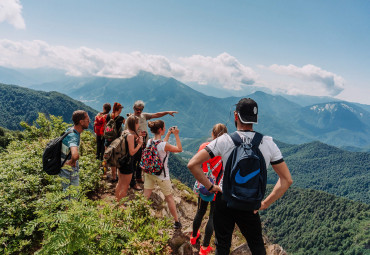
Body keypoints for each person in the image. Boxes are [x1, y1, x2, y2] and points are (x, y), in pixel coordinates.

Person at [187, 98, 293, 255]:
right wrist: (265, 203)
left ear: (236, 116)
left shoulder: (224, 140)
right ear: (255, 119)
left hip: (225, 199)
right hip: (250, 204)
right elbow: (287, 180)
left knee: (222, 246)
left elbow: (193, 164)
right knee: (257, 245)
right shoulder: (268, 143)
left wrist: (211, 187)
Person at [191, 123, 228, 255]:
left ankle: (194, 236)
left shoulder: (203, 147)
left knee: (200, 211)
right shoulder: (226, 151)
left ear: (212, 134)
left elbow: (197, 164)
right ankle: (205, 247)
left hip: (204, 184)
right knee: (212, 217)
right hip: (217, 187)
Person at [125, 100, 178, 190]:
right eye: (137, 109)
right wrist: (138, 135)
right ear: (134, 108)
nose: (139, 111)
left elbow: (156, 114)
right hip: (134, 143)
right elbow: (126, 133)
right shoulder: (130, 119)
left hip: (144, 143)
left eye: (141, 109)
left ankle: (138, 177)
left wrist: (167, 112)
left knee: (141, 161)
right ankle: (132, 182)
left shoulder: (144, 116)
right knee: (133, 163)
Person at [143, 120, 182, 229]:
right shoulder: (164, 145)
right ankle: (176, 222)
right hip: (162, 175)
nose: (165, 129)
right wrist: (176, 135)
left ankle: (138, 214)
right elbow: (179, 149)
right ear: (160, 130)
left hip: (149, 172)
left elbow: (160, 145)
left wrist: (168, 134)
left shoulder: (150, 141)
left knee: (145, 196)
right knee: (169, 198)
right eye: (164, 128)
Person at [60, 110, 90, 193]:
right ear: (81, 122)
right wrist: (72, 161)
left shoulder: (70, 129)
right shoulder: (73, 136)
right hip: (69, 169)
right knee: (71, 195)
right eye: (87, 120)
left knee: (67, 192)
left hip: (63, 165)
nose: (89, 121)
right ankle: (69, 206)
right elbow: (75, 155)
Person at [115, 115, 143, 202]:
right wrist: (139, 144)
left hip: (121, 161)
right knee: (125, 185)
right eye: (138, 123)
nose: (138, 125)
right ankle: (121, 204)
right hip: (127, 163)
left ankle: (117, 201)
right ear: (134, 124)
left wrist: (136, 140)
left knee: (120, 183)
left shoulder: (125, 132)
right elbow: (131, 152)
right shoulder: (130, 135)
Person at [105, 102, 125, 183]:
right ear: (119, 109)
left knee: (106, 157)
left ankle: (104, 174)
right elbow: (127, 125)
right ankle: (114, 177)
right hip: (115, 141)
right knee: (114, 159)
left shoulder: (108, 116)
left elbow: (105, 126)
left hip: (107, 140)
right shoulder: (121, 118)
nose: (121, 110)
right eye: (121, 109)